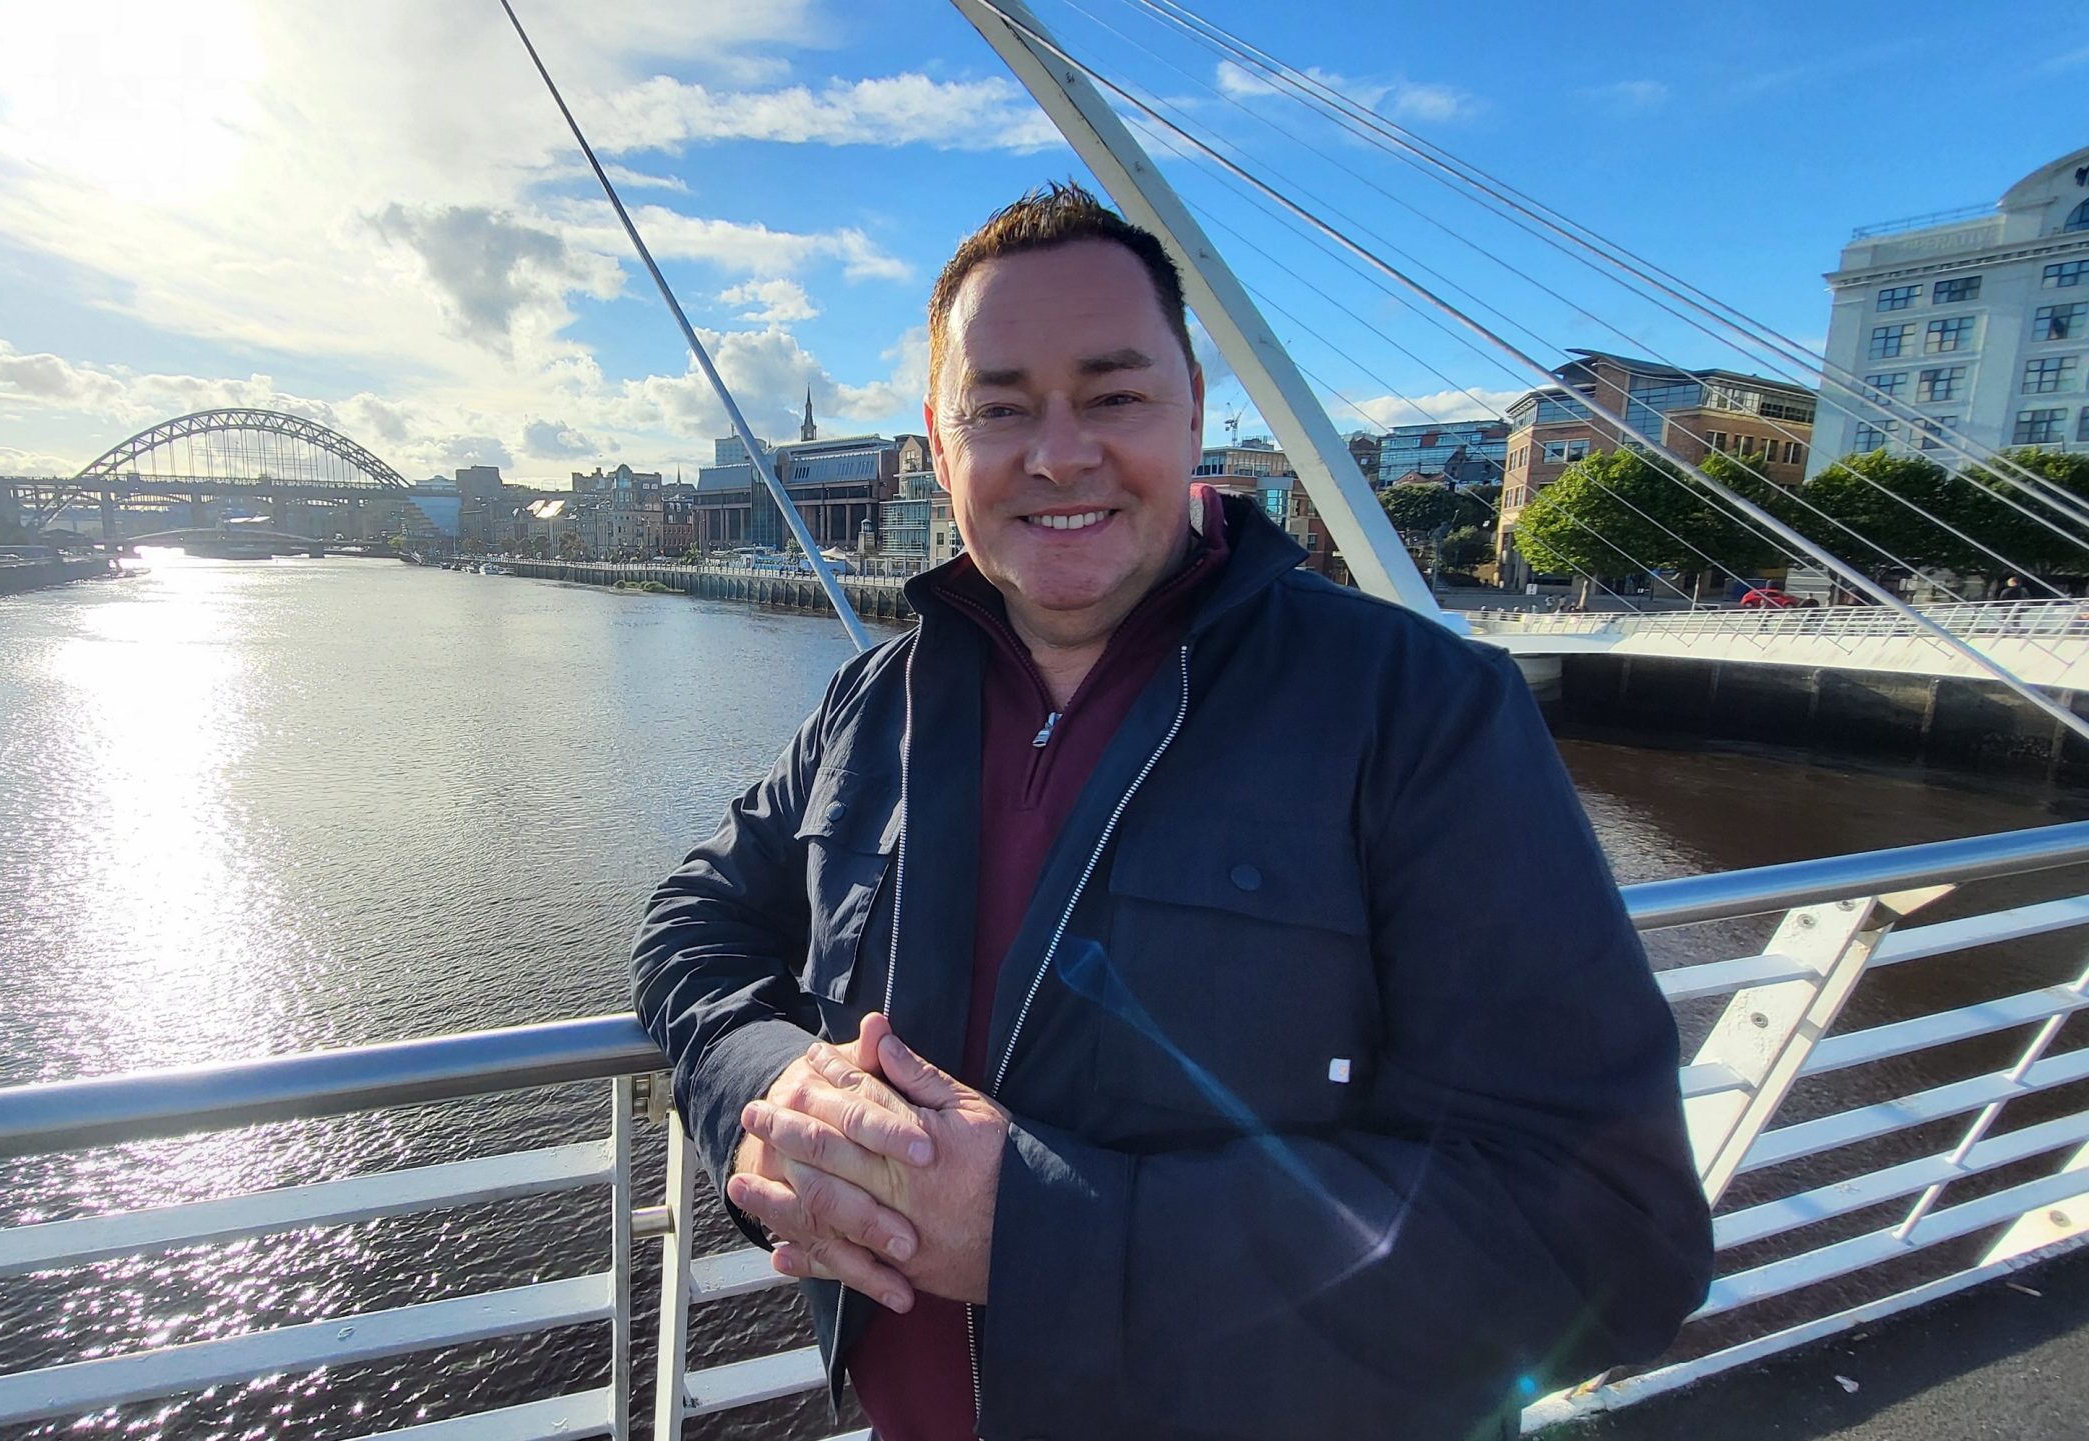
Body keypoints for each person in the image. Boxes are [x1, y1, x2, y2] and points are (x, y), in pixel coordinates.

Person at [632, 183, 1711, 1441]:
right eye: (999, 408)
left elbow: (1607, 1238)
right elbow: (688, 928)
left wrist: (1043, 1232)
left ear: (1192, 411)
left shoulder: (1417, 712)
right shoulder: (876, 702)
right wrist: (775, 1096)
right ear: (940, 445)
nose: (1057, 452)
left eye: (1112, 393)